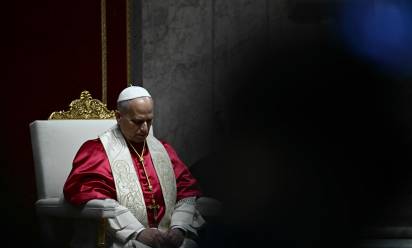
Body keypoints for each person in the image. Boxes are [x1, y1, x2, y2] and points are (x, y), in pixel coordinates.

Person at [63, 86, 205, 248]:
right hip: (120, 238)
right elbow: (90, 195)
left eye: (149, 121)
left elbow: (186, 192)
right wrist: (137, 231)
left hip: (166, 237)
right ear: (118, 117)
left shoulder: (163, 150)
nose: (145, 129)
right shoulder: (96, 152)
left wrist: (178, 228)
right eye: (137, 122)